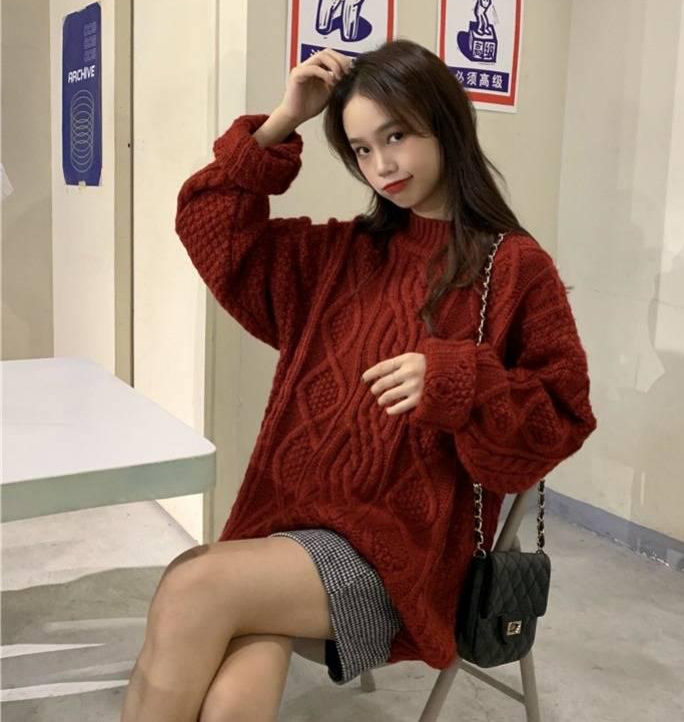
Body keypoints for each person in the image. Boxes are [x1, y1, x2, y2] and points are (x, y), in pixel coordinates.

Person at [120, 39, 597, 722]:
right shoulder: (341, 255)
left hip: (400, 560)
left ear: (446, 123)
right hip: (290, 525)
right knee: (233, 668)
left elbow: (560, 417)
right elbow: (209, 222)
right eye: (362, 149)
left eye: (396, 136)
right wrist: (285, 119)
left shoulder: (515, 268)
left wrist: (457, 379)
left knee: (194, 585)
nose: (382, 165)